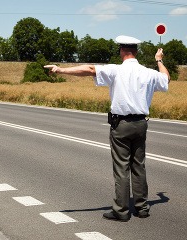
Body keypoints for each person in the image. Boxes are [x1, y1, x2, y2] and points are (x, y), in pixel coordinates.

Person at [44, 35, 170, 222]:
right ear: (136, 52)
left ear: (121, 51)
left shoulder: (116, 70)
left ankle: (121, 211)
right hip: (141, 124)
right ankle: (142, 208)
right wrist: (159, 61)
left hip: (121, 125)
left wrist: (60, 69)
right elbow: (166, 78)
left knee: (121, 168)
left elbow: (89, 69)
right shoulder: (149, 73)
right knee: (139, 166)